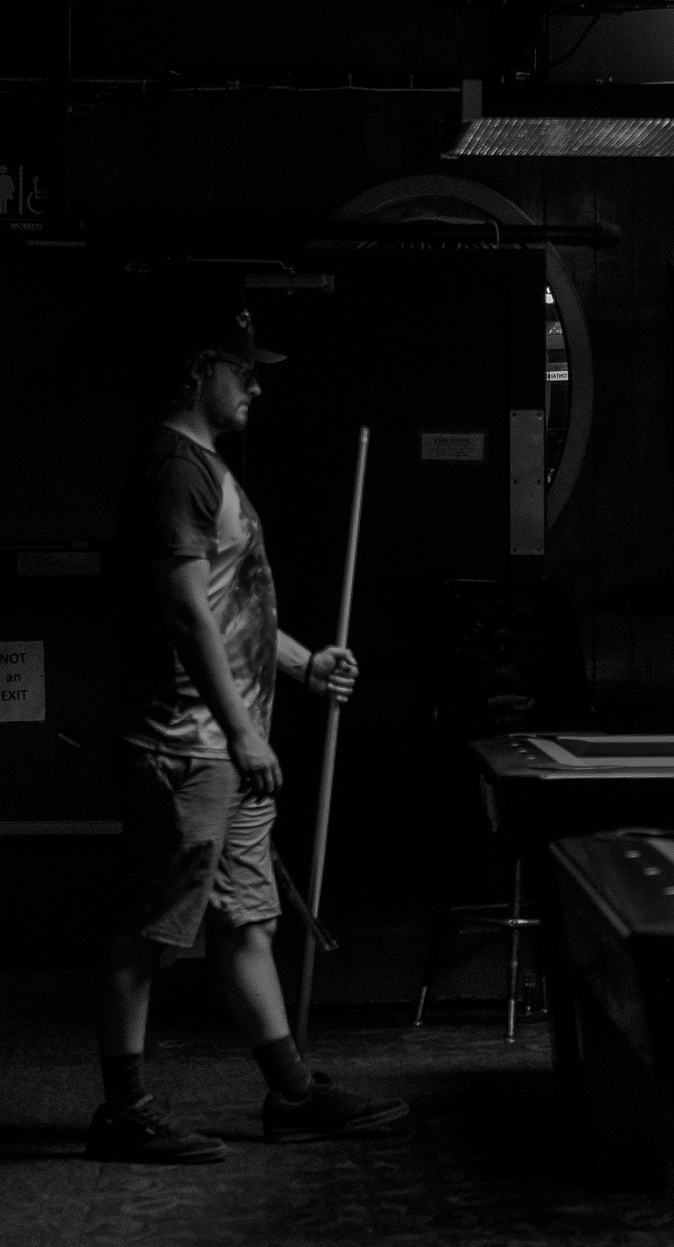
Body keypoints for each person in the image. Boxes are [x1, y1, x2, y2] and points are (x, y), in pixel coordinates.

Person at [90, 299, 407, 1163]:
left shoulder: (206, 468)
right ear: (198, 369)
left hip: (223, 741)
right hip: (185, 742)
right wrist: (242, 735)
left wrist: (302, 666)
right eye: (243, 369)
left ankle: (292, 1094)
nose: (256, 386)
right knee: (151, 929)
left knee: (247, 922)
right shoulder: (173, 466)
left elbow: (233, 608)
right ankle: (123, 1109)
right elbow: (187, 614)